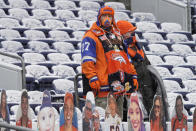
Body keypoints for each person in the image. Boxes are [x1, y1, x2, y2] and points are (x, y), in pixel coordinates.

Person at [81, 6, 138, 117]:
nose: (107, 19)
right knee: (103, 124)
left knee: (118, 123)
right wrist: (92, 78)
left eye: (109, 16)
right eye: (104, 16)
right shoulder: (90, 36)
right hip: (102, 92)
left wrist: (133, 76)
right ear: (99, 18)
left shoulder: (117, 36)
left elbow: (126, 60)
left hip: (119, 90)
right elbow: (87, 62)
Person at [117, 20, 156, 115]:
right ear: (123, 35)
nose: (132, 34)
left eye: (132, 32)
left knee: (151, 111)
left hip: (146, 85)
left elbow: (147, 63)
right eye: (129, 32)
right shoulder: (119, 49)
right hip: (132, 86)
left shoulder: (137, 46)